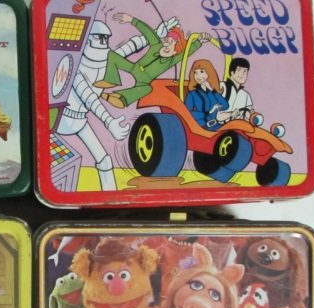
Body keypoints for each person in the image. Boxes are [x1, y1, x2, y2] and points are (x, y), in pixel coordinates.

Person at [54, 17, 179, 191]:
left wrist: (157, 33)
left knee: (105, 161)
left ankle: (108, 196)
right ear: (88, 40)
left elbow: (130, 47)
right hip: (61, 121)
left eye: (105, 38)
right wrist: (109, 121)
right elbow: (89, 98)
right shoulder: (75, 66)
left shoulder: (106, 59)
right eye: (99, 38)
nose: (103, 42)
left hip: (80, 121)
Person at [94, 13, 211, 109]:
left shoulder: (173, 59)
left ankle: (120, 98)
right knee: (111, 55)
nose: (167, 43)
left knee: (147, 89)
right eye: (167, 39)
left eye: (171, 42)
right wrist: (132, 20)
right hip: (133, 67)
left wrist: (199, 41)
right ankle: (111, 80)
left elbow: (188, 51)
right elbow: (148, 32)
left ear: (176, 49)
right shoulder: (156, 45)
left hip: (144, 80)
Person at [184, 59, 230, 131]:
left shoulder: (212, 92)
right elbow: (187, 114)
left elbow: (225, 105)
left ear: (209, 72)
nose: (198, 76)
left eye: (202, 72)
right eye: (195, 72)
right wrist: (209, 112)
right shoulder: (192, 94)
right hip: (202, 127)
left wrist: (212, 89)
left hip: (217, 126)